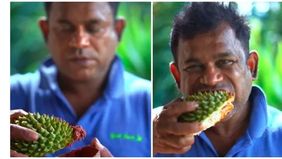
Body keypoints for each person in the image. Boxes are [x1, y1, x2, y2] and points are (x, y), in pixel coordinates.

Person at [10, 2, 151, 157]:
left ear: (117, 31)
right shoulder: (10, 93)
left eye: (94, 28)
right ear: (46, 31)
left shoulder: (148, 101)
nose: (79, 42)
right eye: (66, 28)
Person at [153, 2, 282, 157]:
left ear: (251, 66)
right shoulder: (154, 134)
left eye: (225, 62)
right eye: (194, 67)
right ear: (178, 77)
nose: (211, 79)